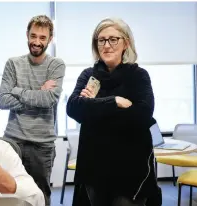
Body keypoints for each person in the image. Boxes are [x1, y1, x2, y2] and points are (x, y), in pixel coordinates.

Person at [66, 17, 161, 206]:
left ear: (125, 43)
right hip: (94, 170)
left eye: (113, 39)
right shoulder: (88, 75)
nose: (106, 45)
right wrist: (114, 102)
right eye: (101, 40)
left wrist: (93, 108)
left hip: (130, 172)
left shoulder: (138, 75)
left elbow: (142, 115)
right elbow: (73, 108)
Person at [0, 15, 65, 206]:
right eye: (33, 36)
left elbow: (50, 99)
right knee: (10, 194)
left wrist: (17, 91)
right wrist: (38, 94)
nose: (36, 42)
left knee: (40, 196)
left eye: (42, 38)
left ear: (50, 39)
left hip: (42, 145)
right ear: (27, 35)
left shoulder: (56, 65)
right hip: (13, 140)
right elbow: (3, 101)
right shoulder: (13, 63)